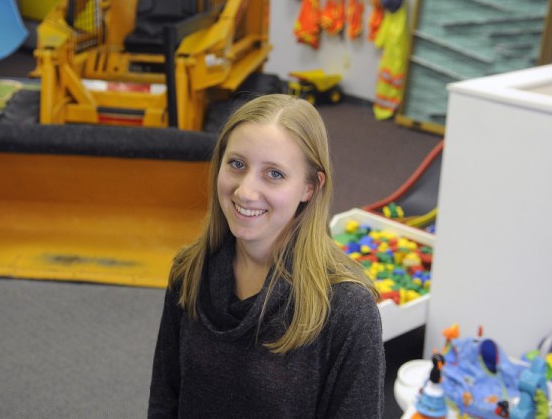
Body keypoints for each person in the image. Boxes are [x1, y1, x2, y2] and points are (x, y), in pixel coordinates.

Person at [148, 94, 385, 418]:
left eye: (274, 174)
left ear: (310, 188)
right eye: (237, 164)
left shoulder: (347, 310)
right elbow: (165, 398)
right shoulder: (190, 270)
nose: (245, 191)